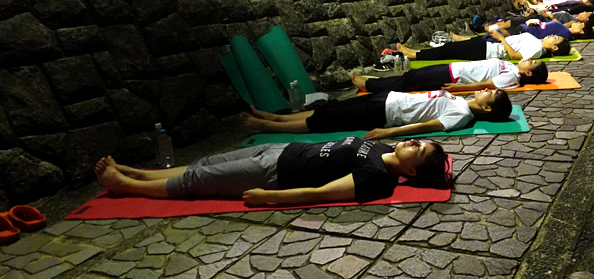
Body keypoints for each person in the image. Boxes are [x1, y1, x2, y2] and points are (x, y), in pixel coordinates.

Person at [94, 137, 449, 205]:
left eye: (418, 150)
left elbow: (320, 194)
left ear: (411, 172)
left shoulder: (377, 178)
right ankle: (140, 173)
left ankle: (126, 186)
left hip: (275, 174)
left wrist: (269, 197)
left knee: (197, 181)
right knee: (206, 163)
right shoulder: (384, 148)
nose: (413, 142)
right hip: (282, 149)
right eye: (420, 142)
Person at [239, 87, 512, 140]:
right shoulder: (462, 101)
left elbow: (428, 126)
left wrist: (388, 132)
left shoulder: (462, 116)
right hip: (386, 99)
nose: (487, 90)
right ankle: (274, 117)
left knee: (323, 121)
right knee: (327, 109)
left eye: (491, 94)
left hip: (383, 113)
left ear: (487, 108)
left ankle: (268, 126)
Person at [351, 58, 549, 94]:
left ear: (528, 73)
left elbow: (488, 84)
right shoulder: (513, 67)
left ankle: (368, 85)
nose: (528, 59)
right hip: (453, 69)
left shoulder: (513, 77)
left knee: (410, 81)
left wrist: (458, 88)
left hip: (453, 77)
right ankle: (372, 82)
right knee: (412, 76)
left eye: (531, 62)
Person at [397, 31, 571, 62]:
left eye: (555, 38)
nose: (552, 35)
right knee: (449, 48)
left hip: (489, 51)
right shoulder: (538, 42)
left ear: (554, 48)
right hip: (489, 44)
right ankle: (416, 52)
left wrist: (501, 38)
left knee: (449, 50)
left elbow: (514, 56)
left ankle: (414, 55)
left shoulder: (538, 50)